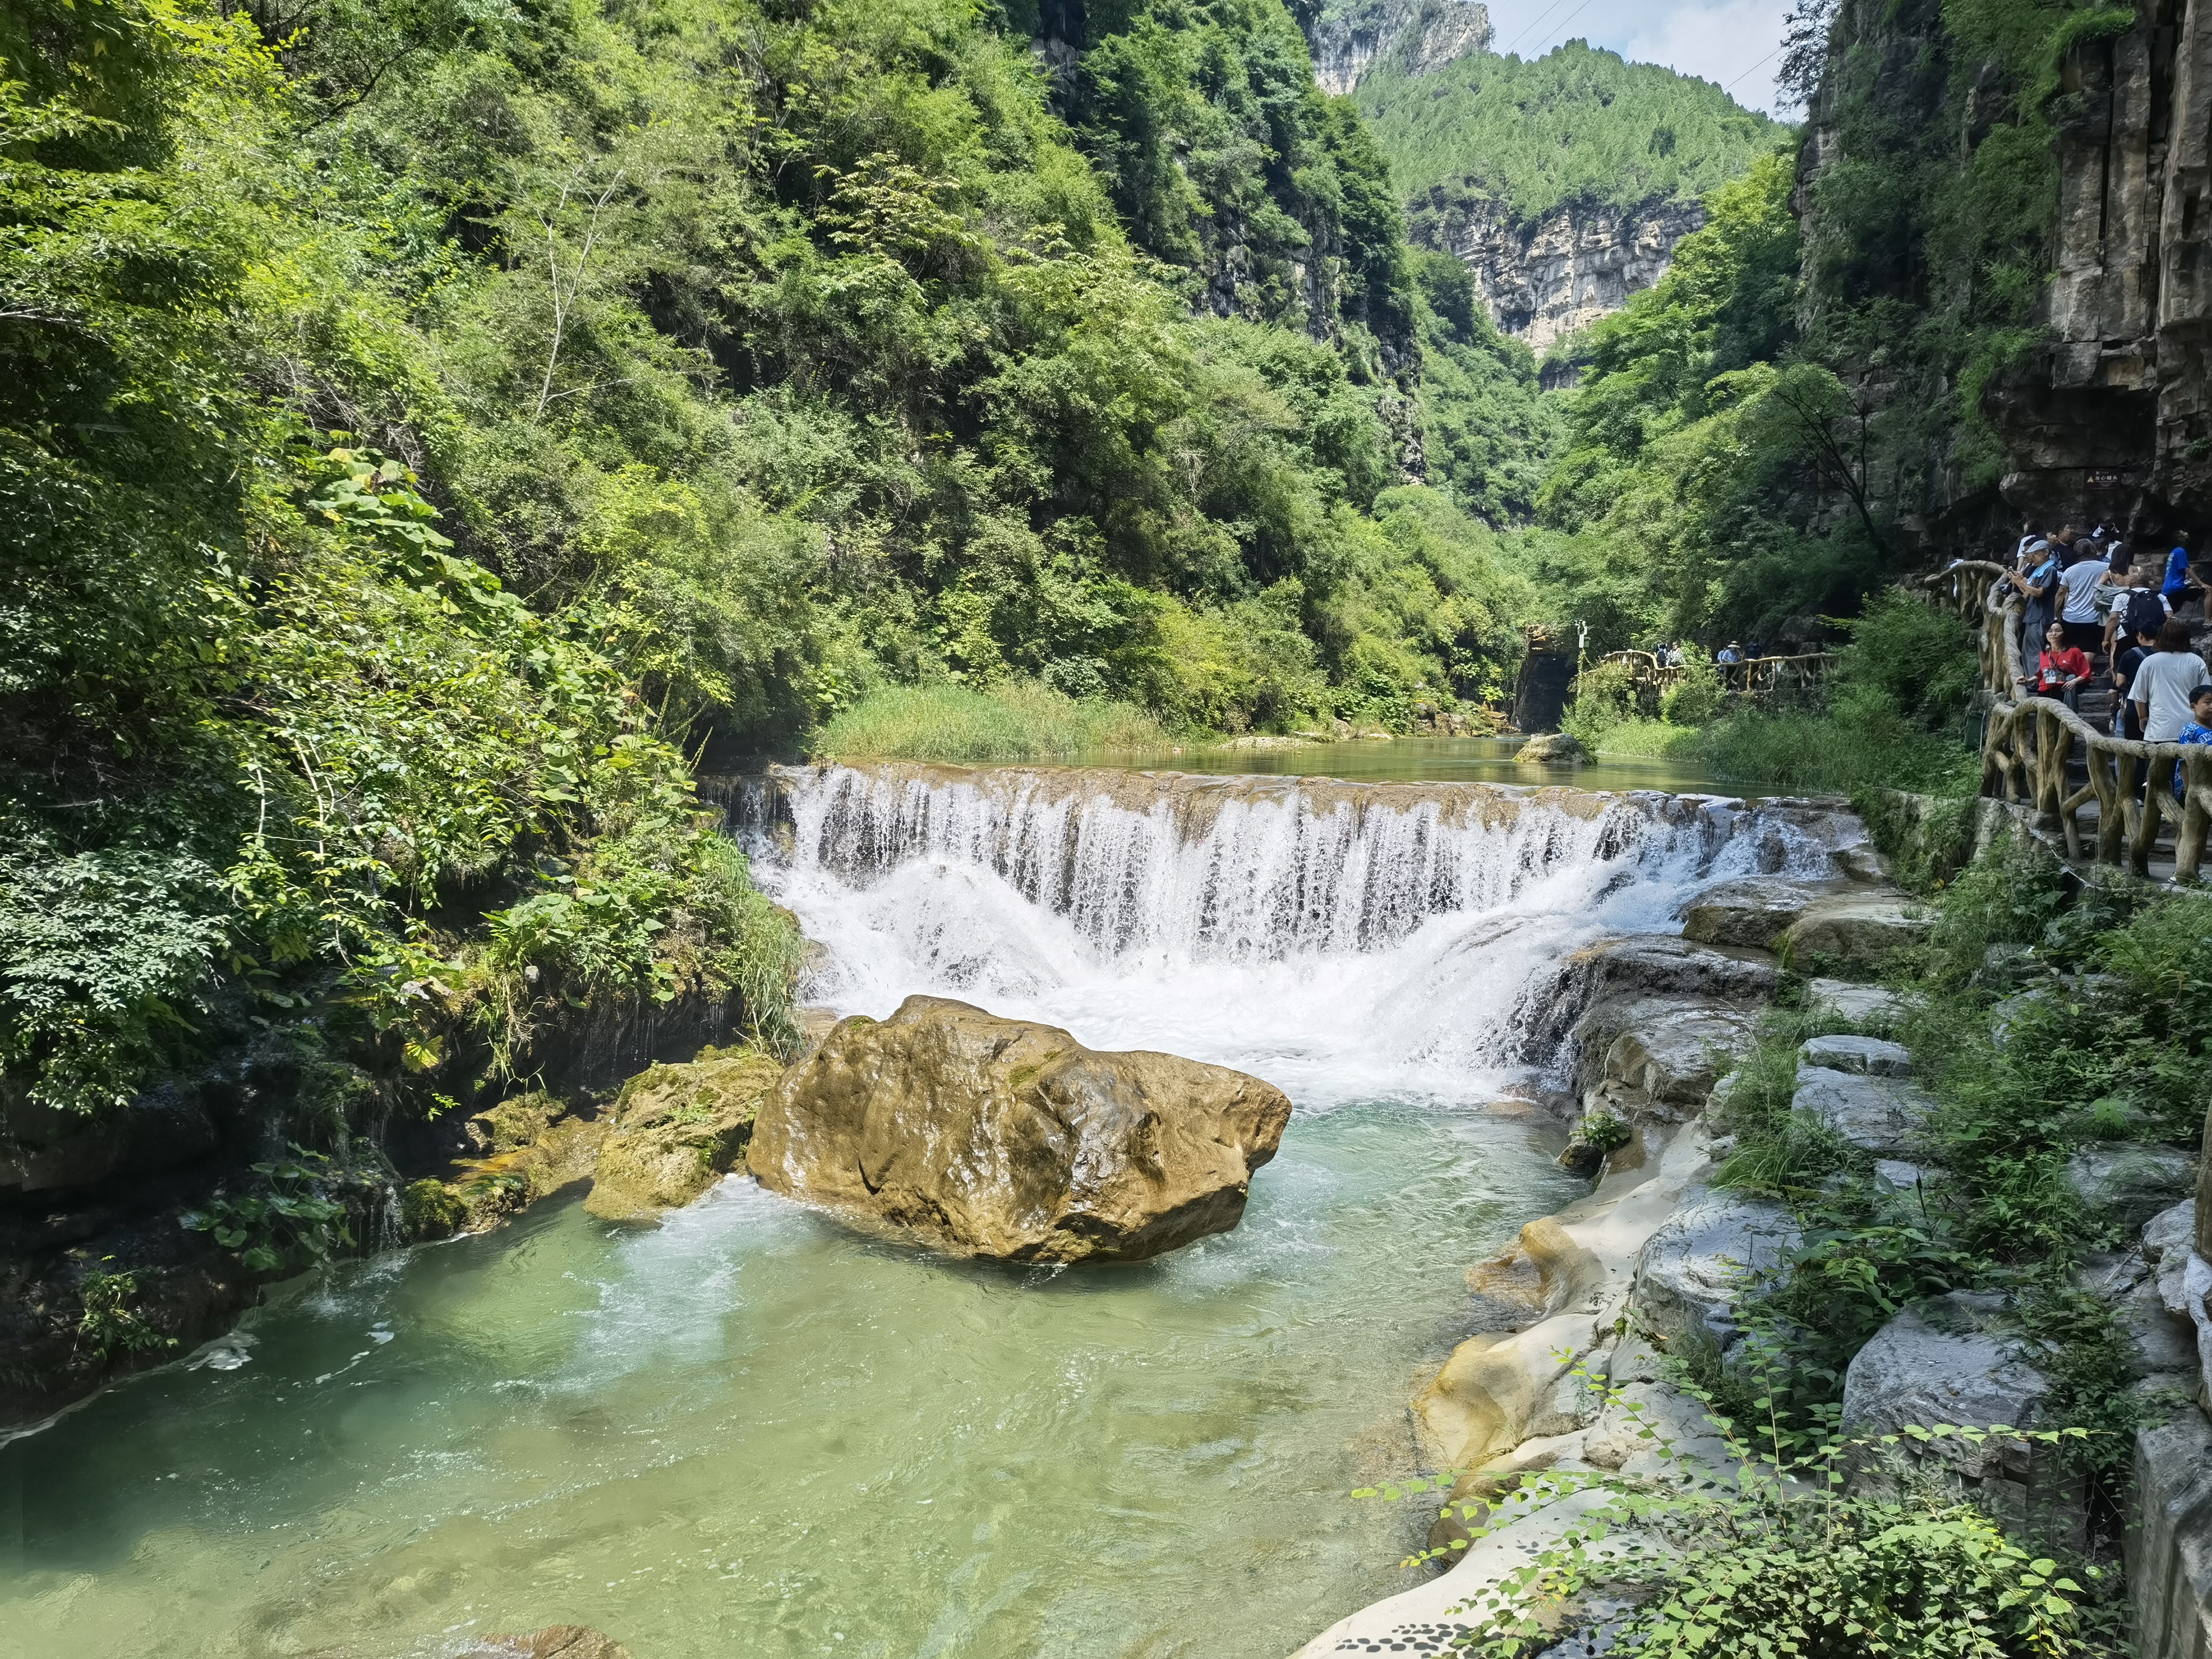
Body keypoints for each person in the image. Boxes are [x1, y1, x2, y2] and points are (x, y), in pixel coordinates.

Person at [2130, 618, 2211, 743]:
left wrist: (2143, 718)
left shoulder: (2149, 662)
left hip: (2160, 731)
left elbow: (2139, 697)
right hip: (2192, 730)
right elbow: (2206, 694)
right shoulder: (2196, 661)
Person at [2021, 619, 2093, 711]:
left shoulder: (2074, 652)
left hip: (2064, 690)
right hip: (2045, 691)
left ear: (2064, 634)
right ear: (2046, 634)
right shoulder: (2043, 653)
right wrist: (2027, 680)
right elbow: (2042, 673)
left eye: (2058, 631)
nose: (2053, 634)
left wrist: (2074, 681)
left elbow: (2086, 673)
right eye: (2050, 631)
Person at [2056, 538, 2110, 651]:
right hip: (2095, 619)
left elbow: (2061, 594)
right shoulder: (2106, 568)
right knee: (2089, 652)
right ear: (2094, 550)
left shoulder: (2070, 571)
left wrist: (2056, 615)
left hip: (2071, 618)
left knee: (2070, 652)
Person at [2009, 539, 2060, 659]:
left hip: (2041, 616)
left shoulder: (2050, 570)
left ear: (2046, 552)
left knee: (2036, 651)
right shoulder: (2038, 569)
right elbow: (2028, 591)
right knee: (2029, 650)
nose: (2033, 558)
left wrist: (2021, 583)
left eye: (2036, 554)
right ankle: (2032, 676)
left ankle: (2037, 676)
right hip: (2032, 615)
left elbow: (2039, 592)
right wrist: (2018, 581)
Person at [2171, 683, 2212, 802]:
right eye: (2208, 702)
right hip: (2198, 784)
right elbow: (2184, 763)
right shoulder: (2190, 731)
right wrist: (2189, 790)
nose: (2211, 706)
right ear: (2193, 707)